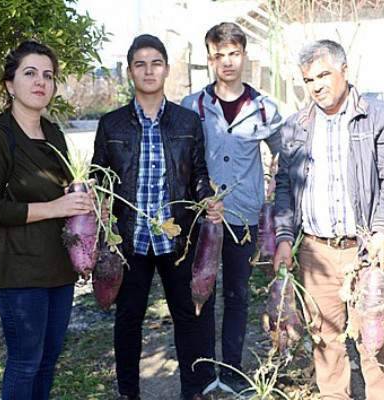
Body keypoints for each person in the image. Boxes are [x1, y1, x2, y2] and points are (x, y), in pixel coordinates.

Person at [272, 39, 384, 400]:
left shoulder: (379, 117)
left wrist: (381, 230)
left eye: (323, 75)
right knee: (324, 337)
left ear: (344, 72)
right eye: (308, 80)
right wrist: (284, 238)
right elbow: (284, 187)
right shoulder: (296, 127)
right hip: (316, 253)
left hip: (365, 250)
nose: (316, 86)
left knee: (373, 335)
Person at [91, 34, 224, 400]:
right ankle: (129, 392)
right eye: (140, 64)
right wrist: (99, 203)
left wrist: (208, 199)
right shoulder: (112, 124)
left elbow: (198, 174)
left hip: (177, 238)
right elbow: (98, 176)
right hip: (129, 239)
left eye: (156, 63)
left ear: (166, 69)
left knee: (189, 317)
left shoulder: (187, 121)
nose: (148, 70)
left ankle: (194, 391)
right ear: (130, 71)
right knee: (128, 319)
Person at [0, 40, 93, 400]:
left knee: (48, 359)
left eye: (48, 75)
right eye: (30, 73)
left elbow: (62, 192)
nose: (41, 82)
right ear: (9, 85)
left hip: (59, 267)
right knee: (26, 361)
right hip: (19, 271)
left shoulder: (52, 134)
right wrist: (54, 207)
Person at [180, 22, 283, 395]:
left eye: (234, 54)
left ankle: (233, 369)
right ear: (210, 59)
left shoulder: (264, 108)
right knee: (201, 291)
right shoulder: (193, 106)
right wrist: (198, 197)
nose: (227, 62)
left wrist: (273, 188)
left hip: (243, 218)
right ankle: (207, 370)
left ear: (244, 56)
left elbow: (286, 155)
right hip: (203, 218)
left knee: (238, 294)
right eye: (219, 55)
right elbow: (183, 160)